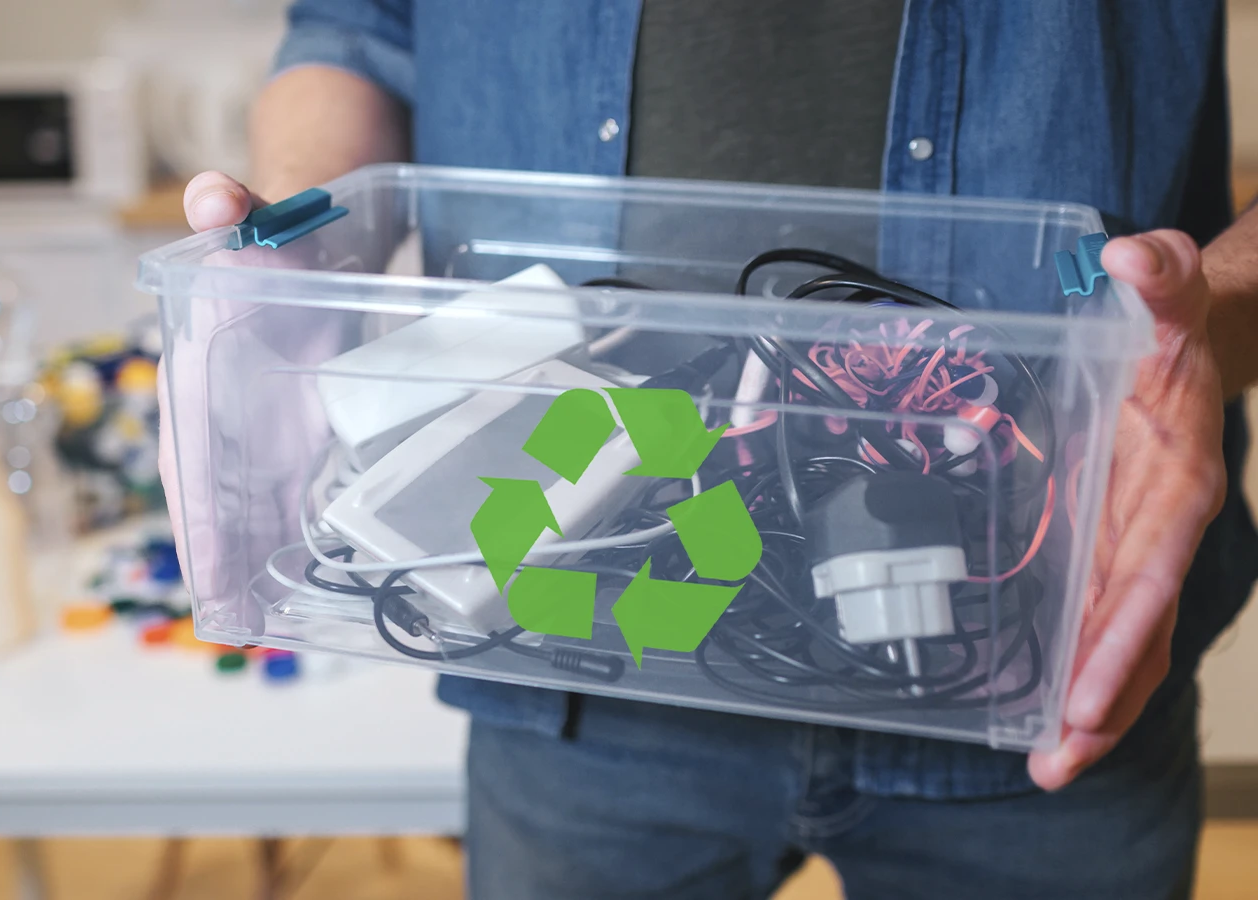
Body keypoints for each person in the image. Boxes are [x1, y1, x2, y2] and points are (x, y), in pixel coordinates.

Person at [164, 3, 1258, 897]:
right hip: (561, 664)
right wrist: (292, 257)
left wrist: (1192, 333)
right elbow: (355, 30)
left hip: (1039, 635)